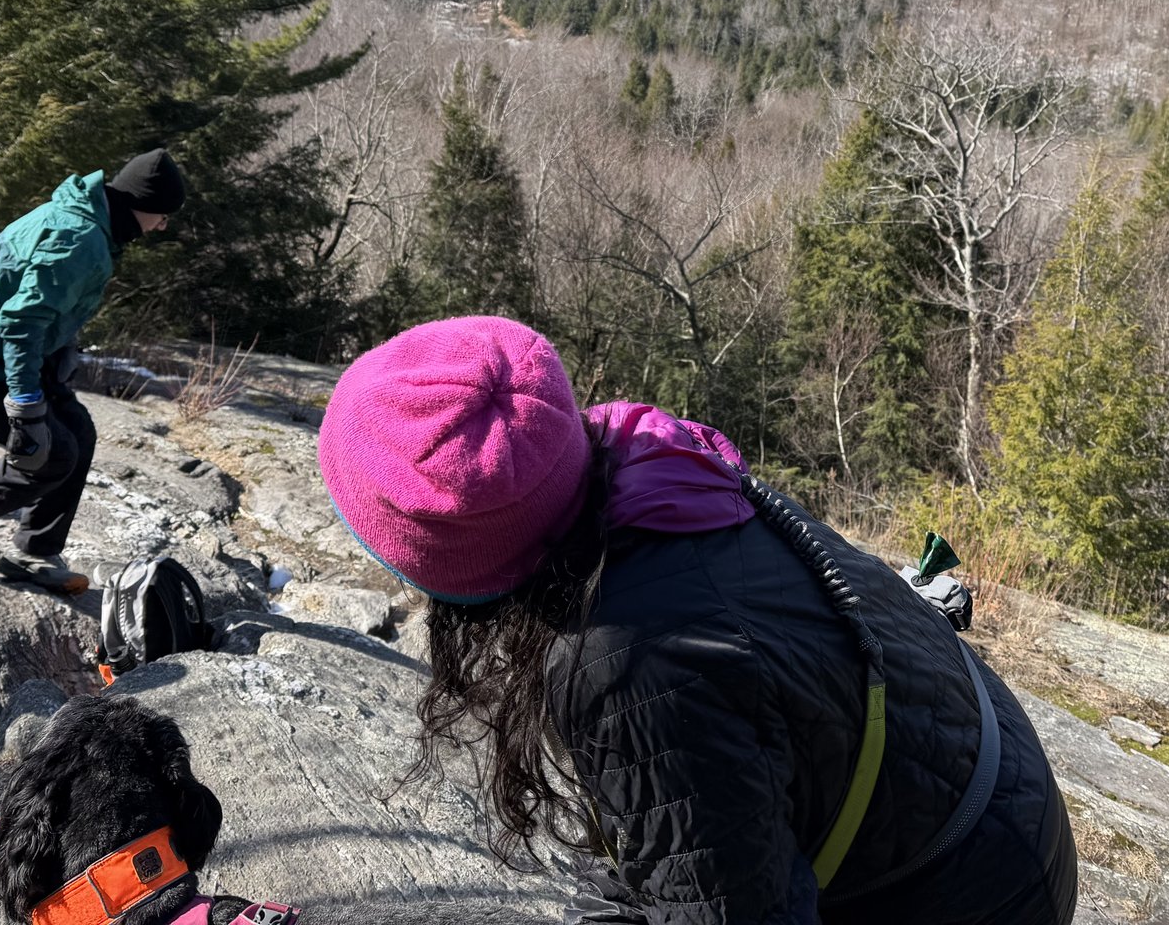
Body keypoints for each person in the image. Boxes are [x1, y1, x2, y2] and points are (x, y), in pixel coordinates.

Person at [316, 316, 1078, 925]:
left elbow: (727, 902)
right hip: (983, 779)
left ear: (445, 567)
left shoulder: (628, 664)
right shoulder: (647, 461)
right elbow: (683, 826)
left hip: (974, 885)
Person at [0, 148, 186, 591]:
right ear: (139, 204)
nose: (162, 226)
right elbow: (20, 321)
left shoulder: (88, 219)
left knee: (77, 433)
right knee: (46, 454)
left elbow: (38, 302)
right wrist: (25, 402)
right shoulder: (80, 237)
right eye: (162, 216)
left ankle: (35, 551)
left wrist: (59, 351)